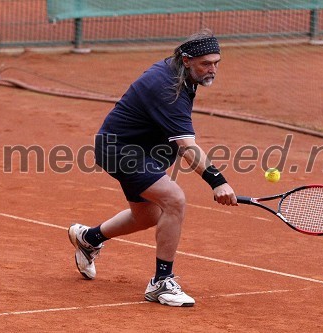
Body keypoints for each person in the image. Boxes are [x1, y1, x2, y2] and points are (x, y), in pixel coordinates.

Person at [68, 29, 237, 307]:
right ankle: (161, 283)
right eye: (206, 63)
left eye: (217, 63)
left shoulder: (182, 74)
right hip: (121, 149)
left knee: (147, 215)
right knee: (174, 199)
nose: (213, 69)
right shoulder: (166, 87)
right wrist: (217, 180)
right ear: (186, 60)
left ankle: (89, 237)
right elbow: (186, 146)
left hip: (147, 149)